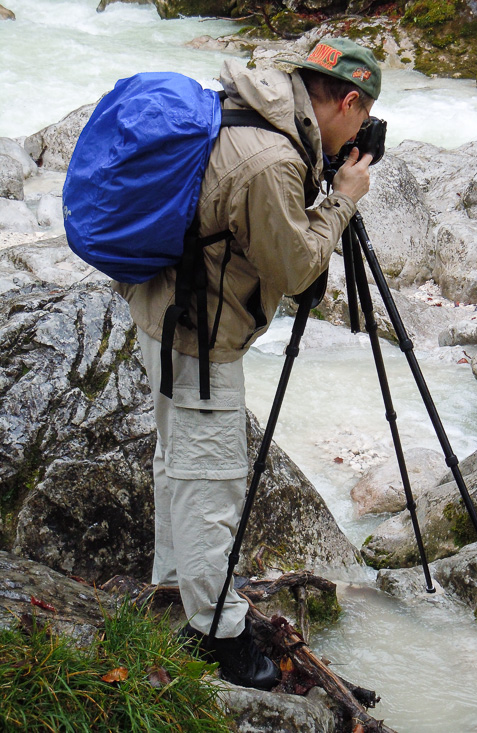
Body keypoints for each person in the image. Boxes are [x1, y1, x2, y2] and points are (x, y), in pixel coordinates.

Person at [113, 37, 381, 691]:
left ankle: (179, 591)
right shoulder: (270, 157)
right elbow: (294, 269)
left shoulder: (255, 107)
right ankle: (218, 635)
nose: (363, 132)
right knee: (211, 480)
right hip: (198, 336)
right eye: (362, 115)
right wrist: (343, 196)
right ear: (345, 100)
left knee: (178, 462)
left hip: (163, 309)